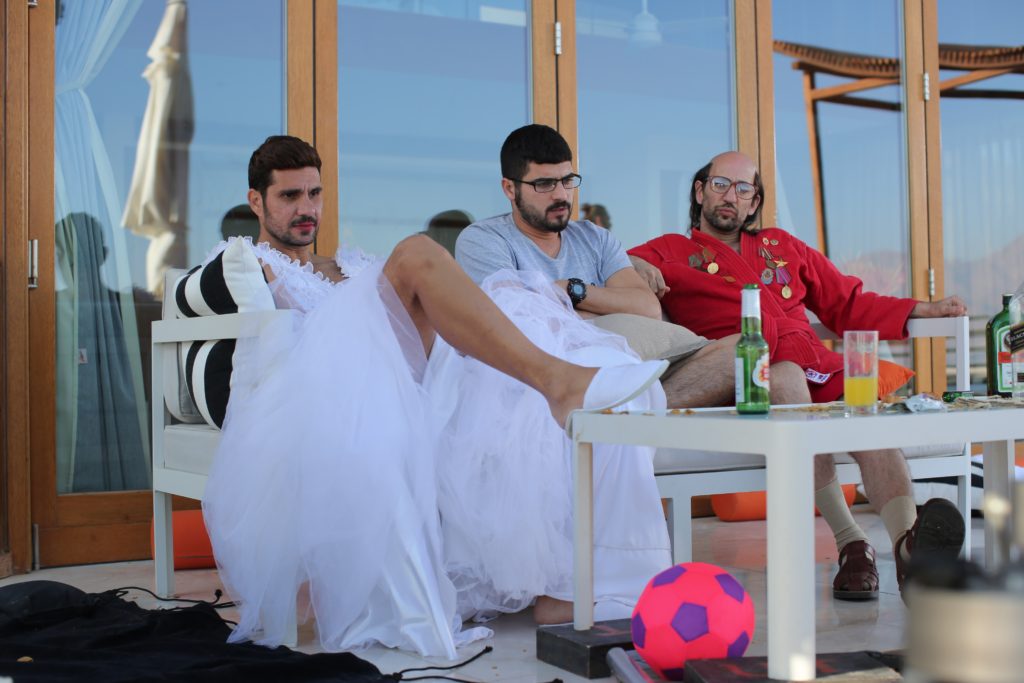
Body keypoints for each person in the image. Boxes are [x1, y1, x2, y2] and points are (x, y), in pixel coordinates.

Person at [201, 135, 671, 659]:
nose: (306, 208)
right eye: (289, 196)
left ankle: (571, 581)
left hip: (415, 372)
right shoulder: (247, 261)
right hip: (342, 382)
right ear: (256, 201)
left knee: (517, 374)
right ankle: (558, 381)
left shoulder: (349, 264)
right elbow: (217, 311)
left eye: (314, 194)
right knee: (419, 254)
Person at [628, 150, 968, 601]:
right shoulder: (667, 251)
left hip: (818, 367)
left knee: (865, 411)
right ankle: (851, 543)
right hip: (747, 379)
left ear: (754, 202)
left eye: (743, 189)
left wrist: (921, 308)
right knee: (787, 377)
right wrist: (631, 266)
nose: (730, 196)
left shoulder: (782, 245)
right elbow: (604, 266)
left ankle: (910, 550)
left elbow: (847, 303)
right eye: (720, 185)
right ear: (699, 191)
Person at [455, 124, 744, 409]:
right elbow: (518, 326)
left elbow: (646, 308)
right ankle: (624, 412)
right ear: (510, 188)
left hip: (631, 369)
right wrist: (607, 309)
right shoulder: (484, 240)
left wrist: (570, 290)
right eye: (544, 184)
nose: (561, 195)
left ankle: (627, 413)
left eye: (567, 180)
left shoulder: (595, 238)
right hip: (544, 382)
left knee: (742, 352)